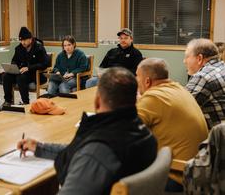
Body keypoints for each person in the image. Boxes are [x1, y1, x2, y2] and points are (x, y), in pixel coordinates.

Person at [18, 67, 157, 194]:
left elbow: (89, 156)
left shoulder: (98, 151)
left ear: (97, 102)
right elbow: (81, 152)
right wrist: (39, 147)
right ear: (136, 98)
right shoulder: (143, 131)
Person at [136, 58, 208, 192]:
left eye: (137, 76)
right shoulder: (179, 89)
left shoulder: (154, 97)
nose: (136, 81)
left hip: (177, 175)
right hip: (197, 171)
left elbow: (126, 132)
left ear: (147, 81)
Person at [184, 38, 225, 129]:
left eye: (187, 57)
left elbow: (181, 107)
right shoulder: (221, 67)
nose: (184, 61)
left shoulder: (203, 76)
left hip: (217, 138)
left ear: (199, 58)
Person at [2, 27, 49, 105]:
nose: (22, 42)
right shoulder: (19, 48)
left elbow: (45, 63)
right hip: (22, 72)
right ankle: (8, 101)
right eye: (21, 40)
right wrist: (13, 68)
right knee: (6, 76)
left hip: (36, 74)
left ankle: (25, 102)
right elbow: (14, 60)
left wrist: (29, 68)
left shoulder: (39, 48)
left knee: (21, 77)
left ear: (30, 39)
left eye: (24, 40)